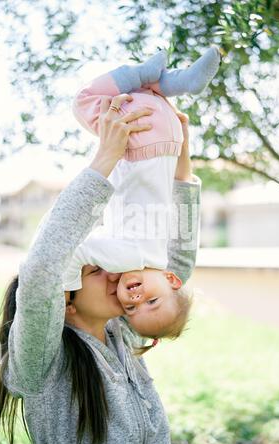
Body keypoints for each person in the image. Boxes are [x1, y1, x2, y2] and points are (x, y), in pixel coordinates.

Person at [0, 92, 202, 444]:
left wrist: (180, 170)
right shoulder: (42, 359)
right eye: (94, 271)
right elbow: (44, 267)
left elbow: (174, 273)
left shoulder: (121, 330)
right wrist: (106, 156)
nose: (114, 273)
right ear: (65, 301)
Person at [63, 47, 220, 343]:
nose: (135, 297)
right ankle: (144, 73)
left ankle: (179, 82)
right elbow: (77, 250)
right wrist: (66, 291)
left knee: (142, 91)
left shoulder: (159, 254)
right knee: (83, 101)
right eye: (152, 301)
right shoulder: (128, 257)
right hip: (140, 145)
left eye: (131, 307)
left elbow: (181, 200)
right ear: (173, 279)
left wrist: (183, 146)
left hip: (169, 137)